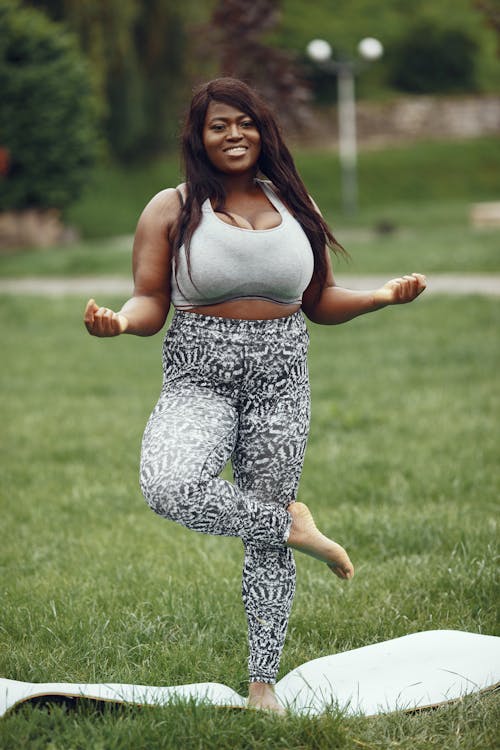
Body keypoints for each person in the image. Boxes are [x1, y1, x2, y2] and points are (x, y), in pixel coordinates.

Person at [84, 77, 426, 714]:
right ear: (199, 137)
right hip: (199, 377)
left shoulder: (296, 204)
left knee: (263, 548)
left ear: (263, 130)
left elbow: (318, 301)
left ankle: (264, 682)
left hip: (280, 382)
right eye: (218, 125)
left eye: (244, 122)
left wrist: (378, 297)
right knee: (170, 484)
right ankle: (293, 524)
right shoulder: (170, 208)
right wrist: (121, 322)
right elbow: (151, 299)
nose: (233, 134)